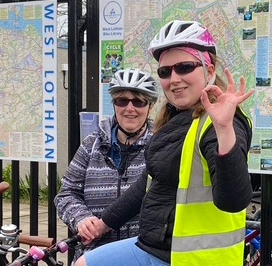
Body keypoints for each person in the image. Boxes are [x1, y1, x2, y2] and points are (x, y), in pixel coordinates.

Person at [74, 20, 254, 266]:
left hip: (194, 259)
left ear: (209, 70)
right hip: (157, 248)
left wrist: (224, 130)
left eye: (184, 67)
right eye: (165, 71)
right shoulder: (178, 121)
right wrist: (103, 224)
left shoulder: (219, 123)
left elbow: (233, 200)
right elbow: (147, 184)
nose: (174, 79)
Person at [56, 68, 159, 259]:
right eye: (122, 100)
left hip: (141, 254)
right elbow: (66, 193)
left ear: (150, 107)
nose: (130, 108)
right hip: (94, 254)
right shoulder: (92, 144)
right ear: (114, 104)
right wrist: (82, 219)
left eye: (138, 101)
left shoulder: (160, 145)